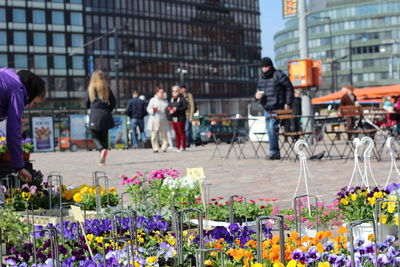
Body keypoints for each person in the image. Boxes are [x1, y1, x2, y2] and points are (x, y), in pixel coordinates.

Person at [0, 68, 46, 183]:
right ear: (32, 93)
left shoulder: (7, 76)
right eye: (34, 102)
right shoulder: (18, 90)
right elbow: (13, 131)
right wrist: (19, 167)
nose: (30, 106)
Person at [255, 57, 294, 160]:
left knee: (272, 128)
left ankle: (274, 152)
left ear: (271, 66)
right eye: (263, 67)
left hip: (277, 107)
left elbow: (289, 87)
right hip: (266, 107)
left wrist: (288, 102)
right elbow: (258, 90)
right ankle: (274, 152)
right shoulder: (261, 78)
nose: (264, 69)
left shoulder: (278, 75)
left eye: (266, 66)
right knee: (269, 130)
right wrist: (256, 96)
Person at [86, 70, 116, 166]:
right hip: (106, 115)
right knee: (104, 138)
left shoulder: (91, 88)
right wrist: (109, 110)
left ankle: (102, 150)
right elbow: (113, 101)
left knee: (94, 136)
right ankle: (102, 159)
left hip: (95, 115)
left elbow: (87, 103)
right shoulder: (106, 88)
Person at [147, 86, 169, 153]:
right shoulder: (152, 100)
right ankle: (155, 148)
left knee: (164, 135)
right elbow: (148, 108)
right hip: (154, 119)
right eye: (161, 92)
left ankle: (164, 147)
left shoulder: (165, 100)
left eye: (163, 92)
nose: (162, 93)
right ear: (157, 93)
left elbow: (167, 109)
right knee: (154, 136)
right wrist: (153, 110)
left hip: (163, 119)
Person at [168, 85, 188, 151]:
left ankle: (183, 146)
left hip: (180, 117)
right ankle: (177, 146)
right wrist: (170, 109)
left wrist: (177, 109)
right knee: (176, 132)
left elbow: (185, 107)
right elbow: (169, 106)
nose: (175, 92)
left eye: (176, 91)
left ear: (179, 92)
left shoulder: (182, 99)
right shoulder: (171, 99)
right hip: (174, 117)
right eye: (173, 91)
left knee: (181, 132)